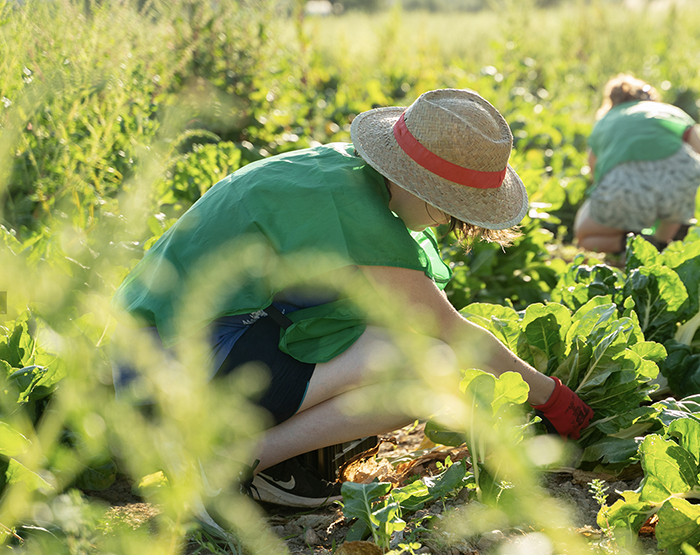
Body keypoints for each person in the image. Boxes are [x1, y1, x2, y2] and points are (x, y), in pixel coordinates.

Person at [113, 89, 594, 509]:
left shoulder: (337, 172)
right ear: (413, 181)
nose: (450, 222)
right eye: (450, 207)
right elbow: (449, 331)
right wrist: (548, 395)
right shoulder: (350, 206)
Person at [573, 73, 700, 254]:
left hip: (626, 189)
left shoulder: (604, 122)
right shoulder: (671, 112)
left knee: (586, 237)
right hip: (682, 185)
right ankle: (667, 240)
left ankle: (634, 244)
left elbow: (596, 178)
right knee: (677, 194)